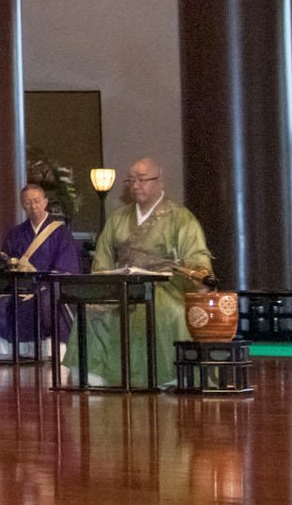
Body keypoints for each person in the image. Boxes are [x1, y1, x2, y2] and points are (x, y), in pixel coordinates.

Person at [81, 158, 214, 389]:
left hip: (165, 285)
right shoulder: (118, 218)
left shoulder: (180, 217)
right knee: (94, 309)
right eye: (131, 181)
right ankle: (98, 374)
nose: (135, 185)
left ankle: (168, 376)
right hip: (124, 283)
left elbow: (195, 254)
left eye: (142, 180)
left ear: (159, 181)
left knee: (166, 311)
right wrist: (102, 282)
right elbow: (103, 257)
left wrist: (200, 271)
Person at [0, 182, 83, 358]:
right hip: (21, 288)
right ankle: (4, 352)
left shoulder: (61, 233)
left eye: (36, 201)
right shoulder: (15, 233)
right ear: (22, 205)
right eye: (28, 202)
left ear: (45, 202)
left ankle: (54, 350)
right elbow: (4, 263)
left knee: (46, 301)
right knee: (2, 303)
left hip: (49, 286)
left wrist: (42, 283)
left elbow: (66, 266)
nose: (33, 206)